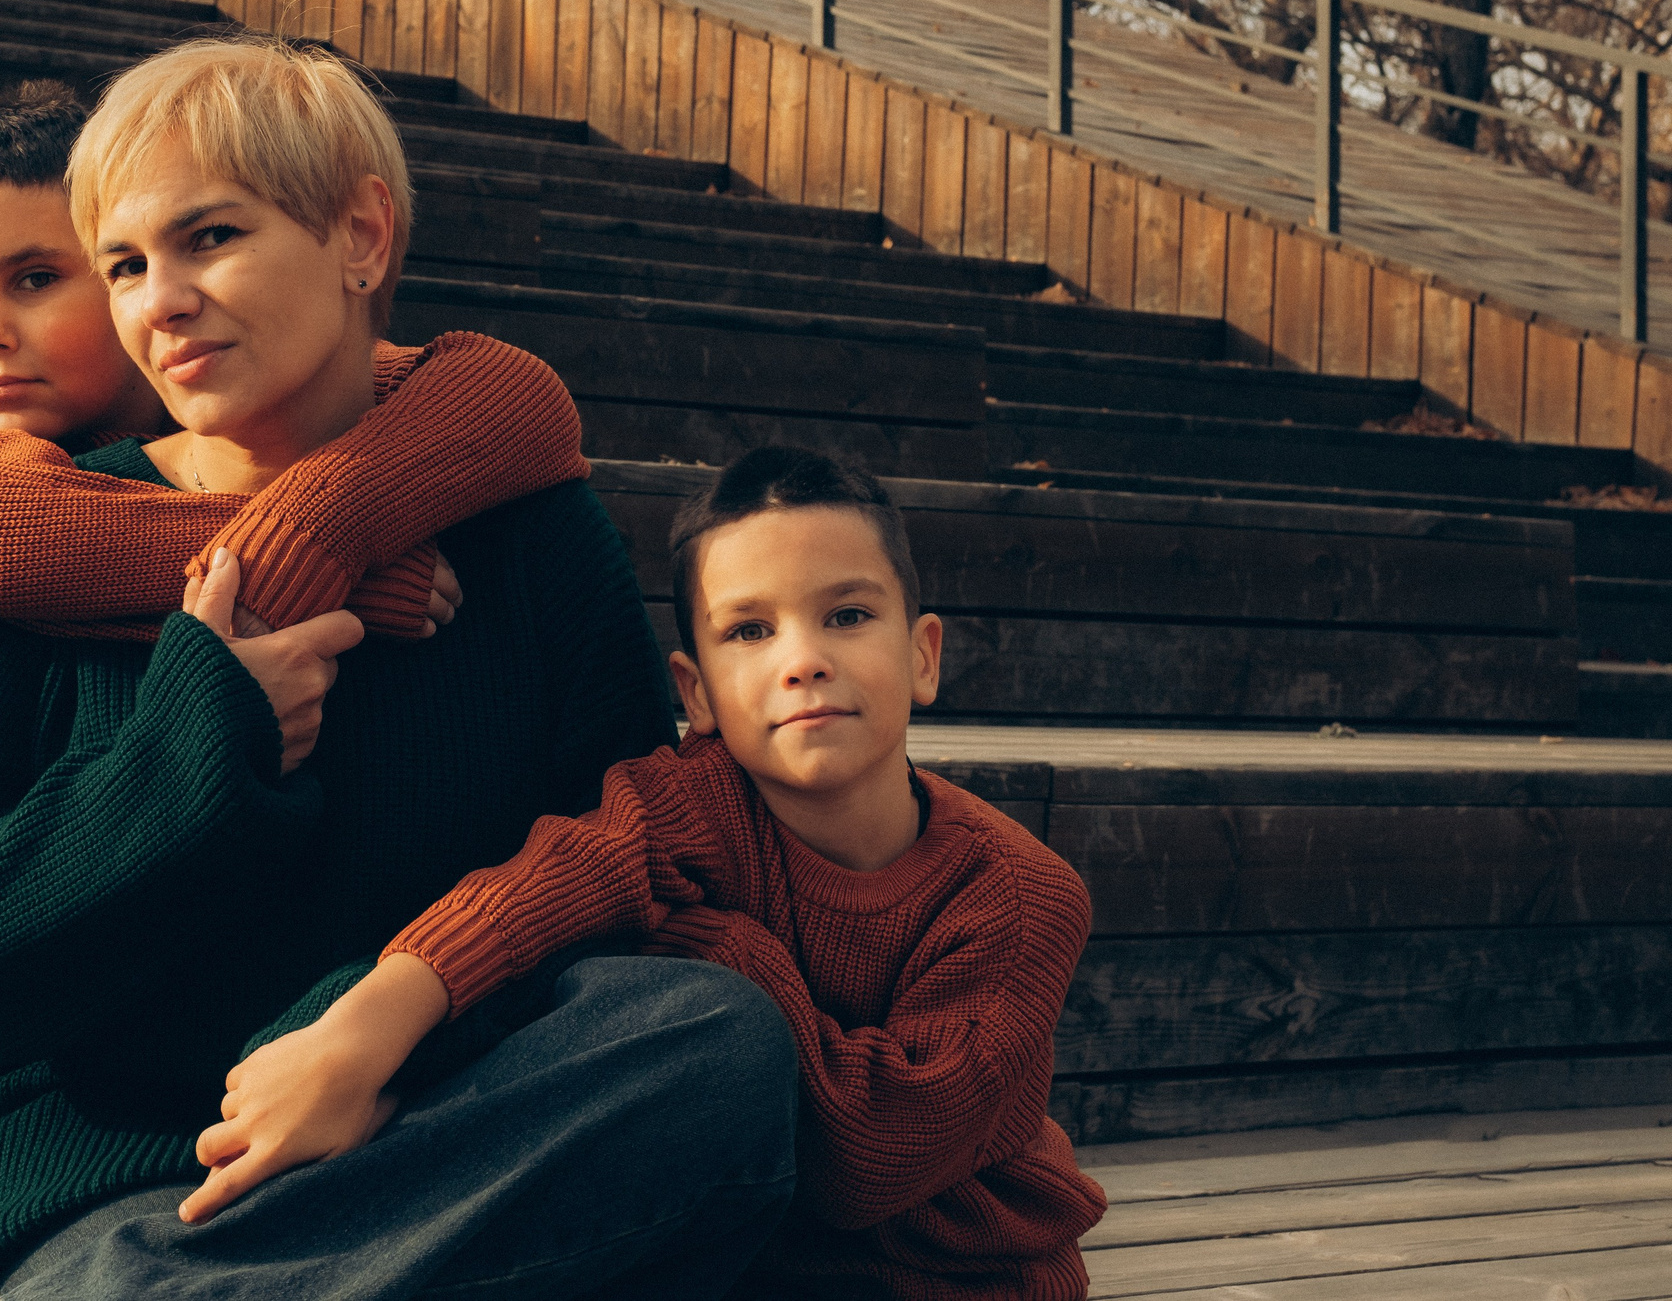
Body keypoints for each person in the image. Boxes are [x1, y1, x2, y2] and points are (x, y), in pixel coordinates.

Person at [0, 36, 801, 1301]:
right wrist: (194, 750)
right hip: (125, 1197)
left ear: (362, 237)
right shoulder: (14, 554)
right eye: (123, 264)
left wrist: (379, 1024)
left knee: (714, 1048)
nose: (158, 302)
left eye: (209, 238)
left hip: (447, 1131)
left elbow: (646, 851)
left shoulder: (520, 526)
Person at [197, 447, 1109, 1301]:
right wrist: (360, 1037)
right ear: (697, 693)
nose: (803, 660)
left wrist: (722, 946)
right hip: (745, 1261)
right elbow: (538, 887)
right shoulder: (691, 802)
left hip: (962, 1281)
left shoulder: (1019, 894)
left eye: (847, 614)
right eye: (750, 630)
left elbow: (871, 1156)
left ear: (924, 656)